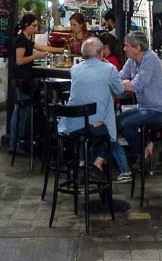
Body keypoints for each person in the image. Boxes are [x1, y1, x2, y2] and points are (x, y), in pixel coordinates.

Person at [59, 37, 129, 181]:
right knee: (108, 130)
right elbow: (119, 90)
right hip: (95, 126)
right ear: (100, 53)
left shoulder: (75, 69)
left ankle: (81, 165)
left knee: (88, 129)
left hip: (71, 125)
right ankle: (97, 164)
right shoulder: (109, 69)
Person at [116, 31, 162, 182]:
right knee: (117, 122)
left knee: (123, 123)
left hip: (160, 108)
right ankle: (146, 149)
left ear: (137, 48)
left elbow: (136, 85)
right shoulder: (133, 60)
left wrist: (122, 85)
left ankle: (143, 154)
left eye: (127, 46)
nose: (124, 49)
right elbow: (121, 76)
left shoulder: (150, 59)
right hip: (145, 106)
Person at [7, 13, 61, 153]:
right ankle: (15, 144)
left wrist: (62, 50)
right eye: (34, 26)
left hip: (25, 78)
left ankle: (17, 143)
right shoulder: (20, 40)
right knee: (20, 111)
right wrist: (35, 56)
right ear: (26, 26)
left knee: (22, 111)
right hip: (21, 79)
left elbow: (43, 48)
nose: (36, 28)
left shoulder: (27, 39)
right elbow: (19, 61)